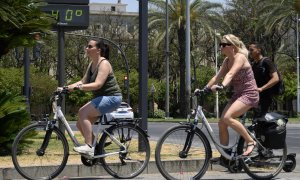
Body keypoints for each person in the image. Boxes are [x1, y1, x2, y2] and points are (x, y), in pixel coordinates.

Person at [198, 34, 259, 157]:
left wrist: (222, 86)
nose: (220, 47)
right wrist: (204, 89)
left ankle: (250, 141)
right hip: (238, 94)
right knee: (222, 123)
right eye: (220, 45)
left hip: (249, 94)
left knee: (228, 117)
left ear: (232, 46)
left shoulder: (240, 57)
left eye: (223, 45)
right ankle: (225, 155)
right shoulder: (227, 61)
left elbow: (231, 74)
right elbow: (216, 77)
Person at [62, 39, 122, 156]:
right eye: (87, 47)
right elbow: (82, 81)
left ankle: (89, 146)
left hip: (112, 98)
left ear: (98, 50)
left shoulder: (104, 63)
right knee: (80, 124)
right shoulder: (92, 64)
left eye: (90, 47)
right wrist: (65, 88)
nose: (87, 49)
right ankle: (98, 148)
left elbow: (97, 84)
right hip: (101, 99)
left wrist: (79, 88)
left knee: (82, 112)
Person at [249, 43, 279, 118]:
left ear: (259, 50)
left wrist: (262, 88)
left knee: (260, 118)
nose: (250, 52)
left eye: (251, 50)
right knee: (257, 118)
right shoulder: (254, 64)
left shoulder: (266, 61)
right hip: (256, 96)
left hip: (265, 96)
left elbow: (275, 78)